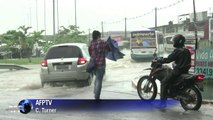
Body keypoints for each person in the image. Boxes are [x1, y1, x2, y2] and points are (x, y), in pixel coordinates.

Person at [157, 34, 191, 107]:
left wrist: (160, 60)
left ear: (178, 42)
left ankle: (162, 104)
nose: (173, 43)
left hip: (178, 71)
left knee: (164, 82)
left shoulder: (178, 51)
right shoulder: (186, 50)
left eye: (174, 41)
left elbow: (169, 59)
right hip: (185, 71)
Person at [88, 30, 111, 100]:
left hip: (93, 65)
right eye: (100, 36)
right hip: (101, 64)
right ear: (98, 36)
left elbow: (90, 52)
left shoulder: (91, 43)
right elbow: (109, 49)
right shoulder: (102, 42)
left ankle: (95, 91)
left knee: (97, 78)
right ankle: (97, 96)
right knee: (99, 80)